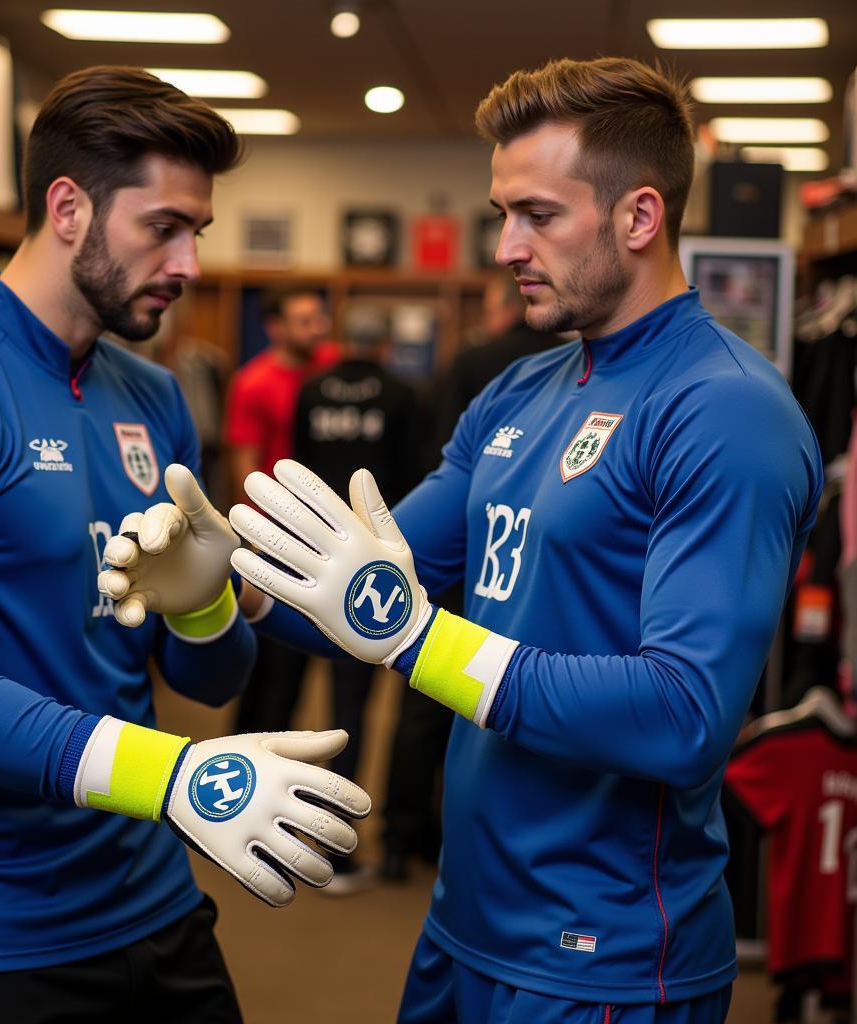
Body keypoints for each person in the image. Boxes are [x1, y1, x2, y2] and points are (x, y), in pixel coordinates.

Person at [222, 58, 823, 1022]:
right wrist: (223, 582)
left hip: (607, 956)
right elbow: (357, 596)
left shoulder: (726, 411)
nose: (506, 246)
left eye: (538, 215)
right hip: (466, 919)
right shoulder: (517, 392)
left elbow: (682, 715)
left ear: (638, 217)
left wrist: (421, 641)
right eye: (502, 213)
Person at [0, 66, 369, 1024]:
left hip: (151, 903)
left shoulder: (153, 395)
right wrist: (164, 775)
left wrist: (206, 605)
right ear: (68, 207)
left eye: (195, 232)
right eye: (161, 227)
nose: (190, 265)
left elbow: (204, 683)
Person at [380, 273, 565, 882]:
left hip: (469, 559)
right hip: (524, 573)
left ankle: (403, 838)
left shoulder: (477, 364)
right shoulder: (528, 373)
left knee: (431, 698)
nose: (511, 248)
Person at [293, 301, 421, 892]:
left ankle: (312, 834)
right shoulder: (402, 395)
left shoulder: (312, 388)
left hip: (311, 560)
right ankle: (346, 844)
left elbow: (296, 467)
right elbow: (416, 480)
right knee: (376, 708)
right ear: (386, 345)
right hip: (376, 572)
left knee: (321, 705)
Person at [224, 288, 338, 736]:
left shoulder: (333, 366)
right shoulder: (254, 382)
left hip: (327, 533)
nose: (317, 328)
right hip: (278, 535)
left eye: (319, 317)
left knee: (326, 653)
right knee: (275, 667)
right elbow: (243, 461)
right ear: (275, 327)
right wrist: (256, 534)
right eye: (304, 319)